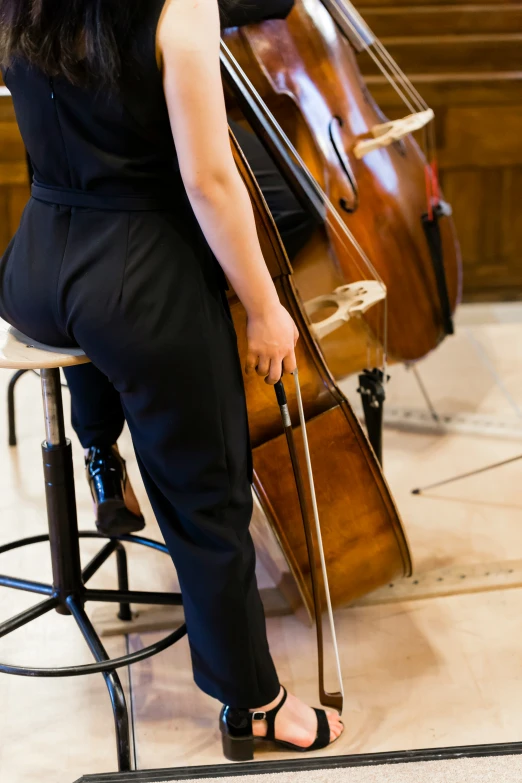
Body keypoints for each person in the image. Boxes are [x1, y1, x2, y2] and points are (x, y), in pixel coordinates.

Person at [0, 0, 343, 760]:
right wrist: (264, 309)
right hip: (132, 280)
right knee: (205, 490)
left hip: (31, 269)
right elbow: (210, 181)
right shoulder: (179, 7)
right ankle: (253, 702)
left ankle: (101, 457)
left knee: (105, 346)